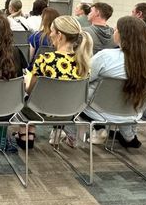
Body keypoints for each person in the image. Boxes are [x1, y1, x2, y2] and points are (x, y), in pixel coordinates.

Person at [83, 16, 146, 148]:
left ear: (122, 35)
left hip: (99, 111)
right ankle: (128, 135)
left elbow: (85, 78)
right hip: (132, 112)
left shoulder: (106, 56)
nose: (114, 32)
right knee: (129, 92)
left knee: (84, 88)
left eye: (116, 30)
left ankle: (99, 129)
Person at [23, 15, 93, 148]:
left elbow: (30, 91)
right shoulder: (85, 64)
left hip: (40, 112)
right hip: (69, 114)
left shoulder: (45, 59)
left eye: (52, 31)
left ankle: (25, 135)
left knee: (22, 98)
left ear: (59, 35)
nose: (50, 35)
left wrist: (27, 79)